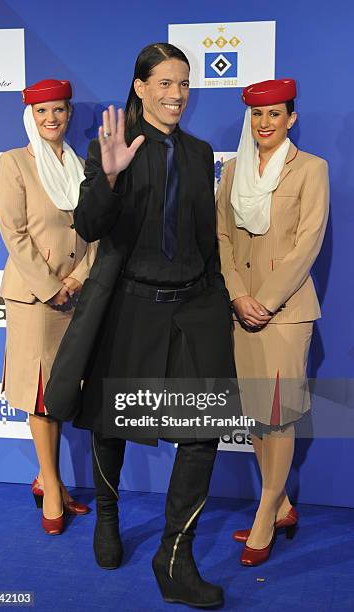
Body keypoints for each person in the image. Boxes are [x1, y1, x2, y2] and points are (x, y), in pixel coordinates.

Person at [44, 43, 237, 607]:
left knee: (202, 434)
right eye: (165, 83)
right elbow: (89, 223)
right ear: (140, 87)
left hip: (194, 307)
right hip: (131, 306)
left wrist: (218, 303)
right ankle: (108, 515)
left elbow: (206, 239)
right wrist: (107, 178)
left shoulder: (201, 155)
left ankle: (174, 554)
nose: (176, 94)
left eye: (184, 83)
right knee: (111, 421)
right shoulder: (111, 148)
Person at [216, 79, 329, 566]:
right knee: (258, 414)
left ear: (291, 119)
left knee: (277, 414)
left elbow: (308, 242)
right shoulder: (234, 170)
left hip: (285, 312)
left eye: (276, 115)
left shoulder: (311, 170)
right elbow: (220, 236)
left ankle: (265, 515)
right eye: (258, 116)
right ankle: (279, 504)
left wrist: (264, 299)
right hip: (241, 310)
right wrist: (239, 296)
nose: (266, 124)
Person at [0, 79, 96, 535]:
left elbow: (96, 231)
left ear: (69, 114)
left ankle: (47, 478)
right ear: (30, 117)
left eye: (58, 110)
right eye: (42, 112)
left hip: (76, 294)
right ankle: (52, 487)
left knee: (60, 394)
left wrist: (77, 279)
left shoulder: (81, 166)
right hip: (37, 298)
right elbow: (14, 234)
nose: (51, 118)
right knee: (40, 395)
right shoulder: (14, 162)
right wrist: (51, 286)